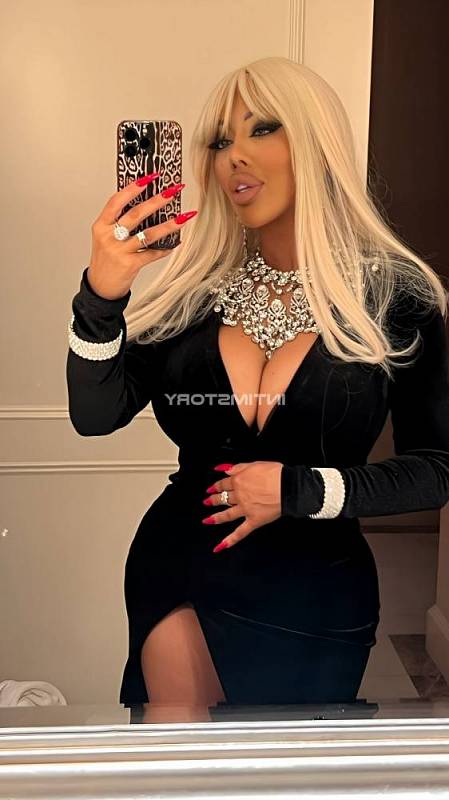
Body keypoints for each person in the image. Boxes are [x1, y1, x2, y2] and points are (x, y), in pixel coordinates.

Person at [66, 56, 449, 710]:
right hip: (181, 563)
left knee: (280, 759)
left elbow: (437, 468)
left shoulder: (394, 295)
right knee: (179, 750)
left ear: (315, 140)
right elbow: (95, 414)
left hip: (315, 589)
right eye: (219, 142)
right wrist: (102, 296)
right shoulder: (192, 293)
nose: (234, 156)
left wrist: (299, 489)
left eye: (262, 128)